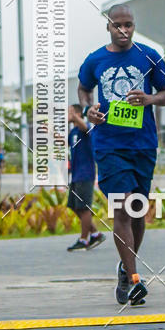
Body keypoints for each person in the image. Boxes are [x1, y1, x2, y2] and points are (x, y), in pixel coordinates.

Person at [78, 4, 165, 306]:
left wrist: (150, 98)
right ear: (108, 26)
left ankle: (125, 267)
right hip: (108, 145)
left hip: (143, 144)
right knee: (122, 207)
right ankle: (133, 279)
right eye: (117, 25)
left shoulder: (149, 56)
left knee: (137, 210)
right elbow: (83, 89)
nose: (123, 30)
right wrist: (88, 109)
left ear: (134, 26)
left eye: (128, 25)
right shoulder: (95, 59)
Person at [66, 104, 104, 252]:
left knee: (83, 207)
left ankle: (84, 240)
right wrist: (50, 132)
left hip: (85, 174)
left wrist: (76, 116)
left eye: (69, 112)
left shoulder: (86, 128)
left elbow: (85, 126)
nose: (66, 114)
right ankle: (95, 234)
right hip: (75, 175)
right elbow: (66, 143)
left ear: (76, 113)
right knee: (74, 206)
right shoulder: (73, 132)